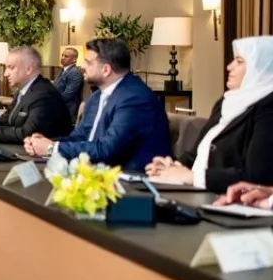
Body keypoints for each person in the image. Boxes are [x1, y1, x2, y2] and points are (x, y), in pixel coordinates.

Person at [144, 36, 273, 192]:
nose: (229, 67)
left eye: (239, 61)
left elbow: (257, 176)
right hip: (196, 191)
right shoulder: (226, 101)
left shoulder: (268, 109)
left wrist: (192, 177)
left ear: (262, 68)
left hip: (227, 198)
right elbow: (195, 154)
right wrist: (171, 167)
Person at [24, 38, 170, 170]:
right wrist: (44, 143)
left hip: (132, 181)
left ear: (106, 70)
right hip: (95, 173)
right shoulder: (97, 96)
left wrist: (53, 148)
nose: (82, 66)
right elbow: (80, 137)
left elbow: (107, 150)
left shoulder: (134, 99)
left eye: (88, 62)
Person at [0, 45, 72, 144]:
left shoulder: (44, 95)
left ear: (28, 69)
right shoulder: (24, 89)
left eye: (11, 68)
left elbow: (27, 134)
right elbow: (9, 118)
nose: (5, 74)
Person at [54, 45, 84, 119]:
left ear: (74, 59)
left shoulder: (75, 73)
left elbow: (68, 94)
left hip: (67, 109)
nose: (62, 58)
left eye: (66, 56)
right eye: (62, 55)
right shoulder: (63, 70)